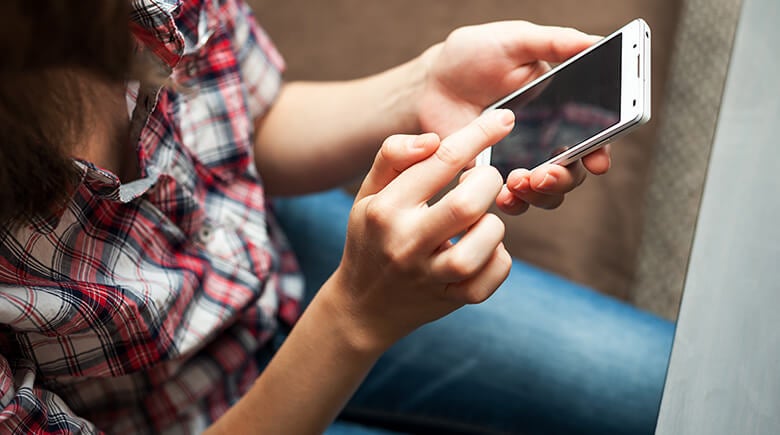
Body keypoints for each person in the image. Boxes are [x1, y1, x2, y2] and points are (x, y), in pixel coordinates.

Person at [0, 1, 674, 434]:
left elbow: (248, 121)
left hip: (272, 252)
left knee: (675, 390)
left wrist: (422, 85)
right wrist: (354, 317)